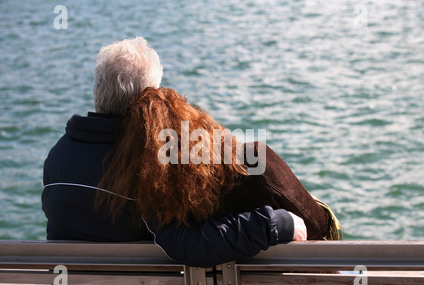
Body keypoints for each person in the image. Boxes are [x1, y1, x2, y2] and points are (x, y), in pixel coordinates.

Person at [42, 37, 304, 267]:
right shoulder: (143, 165)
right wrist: (275, 224)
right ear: (149, 100)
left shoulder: (57, 156)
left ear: (96, 90)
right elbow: (187, 244)